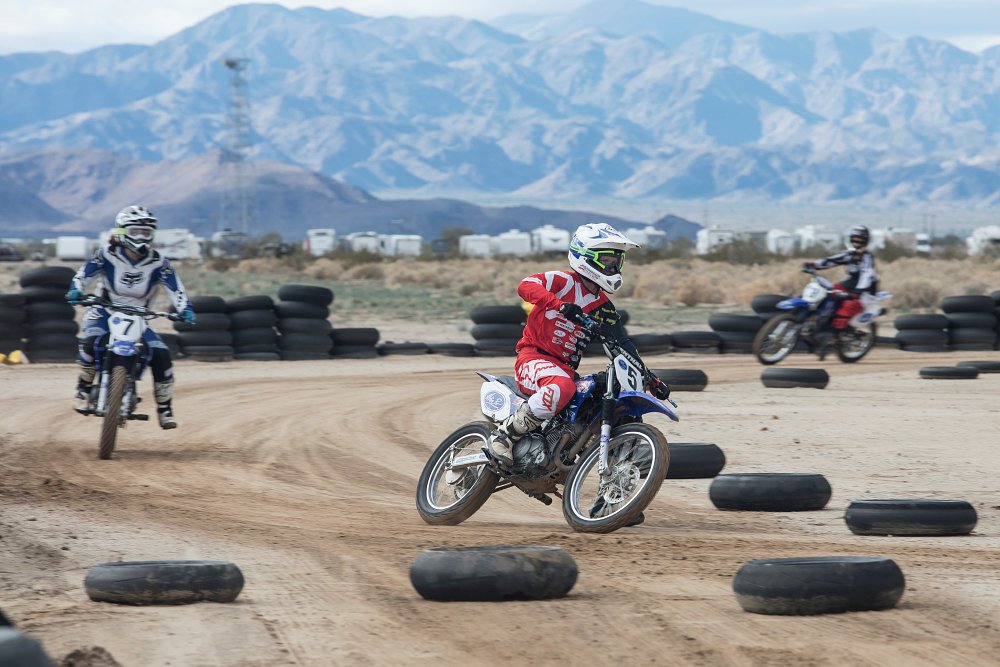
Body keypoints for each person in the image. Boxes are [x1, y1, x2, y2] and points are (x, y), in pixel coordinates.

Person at [486, 222, 671, 467]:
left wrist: (650, 378)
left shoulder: (604, 308)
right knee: (562, 387)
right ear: (585, 257)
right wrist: (560, 305)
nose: (613, 267)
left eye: (617, 261)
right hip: (533, 358)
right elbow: (526, 285)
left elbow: (622, 343)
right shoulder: (563, 281)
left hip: (564, 369)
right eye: (607, 261)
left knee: (595, 396)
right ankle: (505, 436)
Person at [65, 205, 195, 429]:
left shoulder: (160, 263)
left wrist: (185, 308)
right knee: (90, 342)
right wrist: (76, 290)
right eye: (136, 232)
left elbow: (177, 290)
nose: (141, 237)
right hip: (104, 310)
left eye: (146, 233)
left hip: (139, 316)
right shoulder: (105, 255)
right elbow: (82, 276)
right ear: (122, 232)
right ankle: (83, 390)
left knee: (161, 354)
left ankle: (165, 408)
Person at [803, 224, 880, 357]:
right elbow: (831, 261)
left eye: (860, 239)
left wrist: (857, 292)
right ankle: (819, 328)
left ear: (866, 241)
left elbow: (867, 275)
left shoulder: (867, 257)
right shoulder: (849, 255)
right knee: (825, 297)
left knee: (844, 311)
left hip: (866, 291)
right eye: (855, 238)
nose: (857, 241)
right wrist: (814, 265)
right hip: (849, 285)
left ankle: (832, 339)